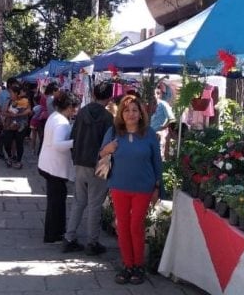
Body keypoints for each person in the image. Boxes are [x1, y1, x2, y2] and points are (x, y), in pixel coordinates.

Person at [99, 94, 162, 285]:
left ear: (141, 113)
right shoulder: (113, 132)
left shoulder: (149, 134)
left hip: (143, 188)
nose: (131, 114)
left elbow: (157, 162)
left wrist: (158, 187)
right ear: (121, 113)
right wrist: (107, 149)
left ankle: (138, 266)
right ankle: (128, 265)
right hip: (119, 187)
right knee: (123, 226)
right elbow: (101, 155)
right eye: (127, 110)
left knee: (136, 226)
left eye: (135, 110)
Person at [62, 82, 114, 255]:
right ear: (109, 97)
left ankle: (69, 237)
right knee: (95, 204)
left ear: (93, 94)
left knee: (79, 201)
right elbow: (109, 145)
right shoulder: (107, 118)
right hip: (97, 164)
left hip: (80, 162)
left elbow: (73, 136)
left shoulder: (82, 112)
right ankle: (92, 242)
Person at [37, 91, 80, 244]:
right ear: (69, 107)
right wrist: (76, 142)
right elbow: (58, 145)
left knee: (55, 201)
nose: (75, 110)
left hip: (48, 165)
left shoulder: (54, 116)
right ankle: (52, 235)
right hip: (54, 167)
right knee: (56, 202)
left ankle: (55, 232)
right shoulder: (62, 122)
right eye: (75, 107)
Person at [1, 84, 30, 169]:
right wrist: (10, 114)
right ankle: (9, 157)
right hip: (9, 125)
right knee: (7, 142)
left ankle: (18, 161)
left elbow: (29, 111)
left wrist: (18, 114)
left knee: (19, 143)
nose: (10, 95)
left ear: (17, 93)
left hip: (21, 126)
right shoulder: (8, 101)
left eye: (12, 93)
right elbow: (3, 112)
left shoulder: (24, 101)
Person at [150, 87, 175, 161]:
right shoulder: (150, 105)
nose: (151, 96)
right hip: (150, 134)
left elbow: (172, 119)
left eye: (153, 94)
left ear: (158, 94)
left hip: (160, 135)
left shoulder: (163, 104)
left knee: (159, 155)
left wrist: (163, 128)